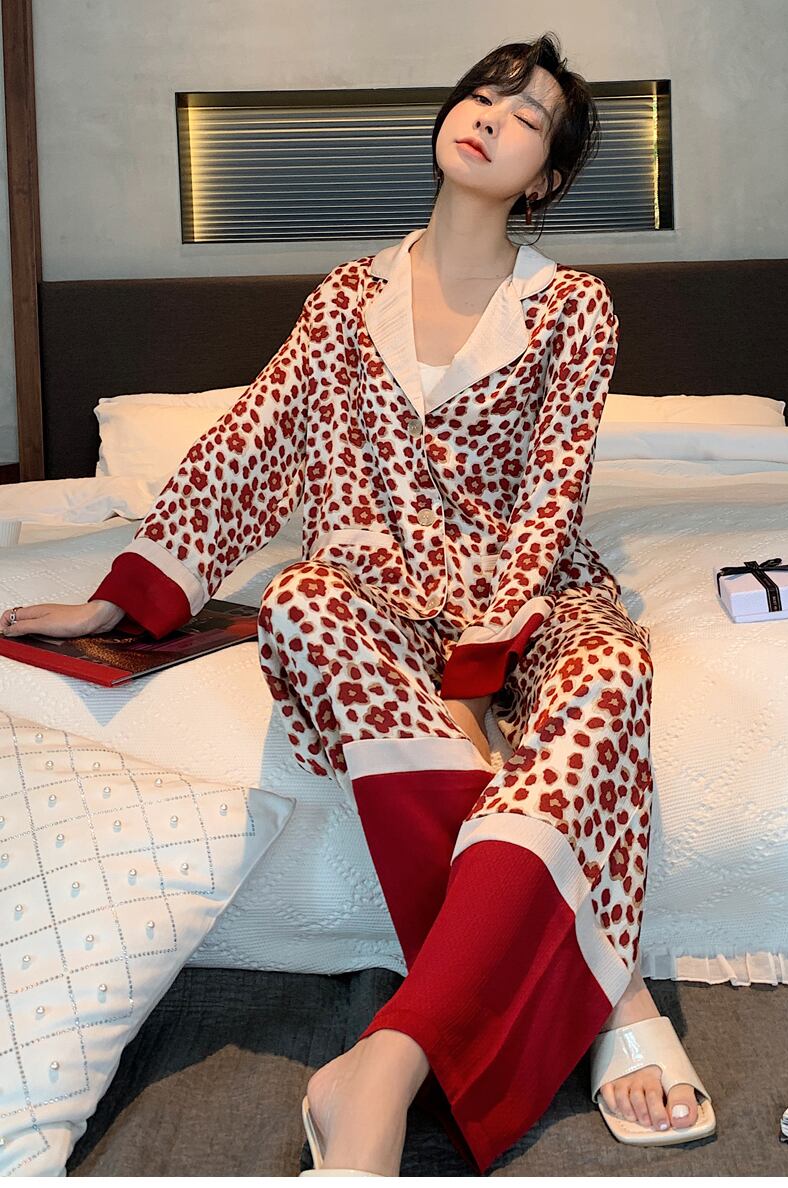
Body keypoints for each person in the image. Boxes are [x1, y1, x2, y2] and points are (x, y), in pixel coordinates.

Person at [1, 33, 714, 1177]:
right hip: (376, 588)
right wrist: (120, 599)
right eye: (484, 93)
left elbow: (553, 492)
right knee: (301, 601)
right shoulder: (344, 300)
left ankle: (384, 1062)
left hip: (526, 591)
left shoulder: (574, 308)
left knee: (610, 674)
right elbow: (254, 441)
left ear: (542, 176)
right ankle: (607, 986)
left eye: (527, 116)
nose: (492, 115)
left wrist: (482, 664)